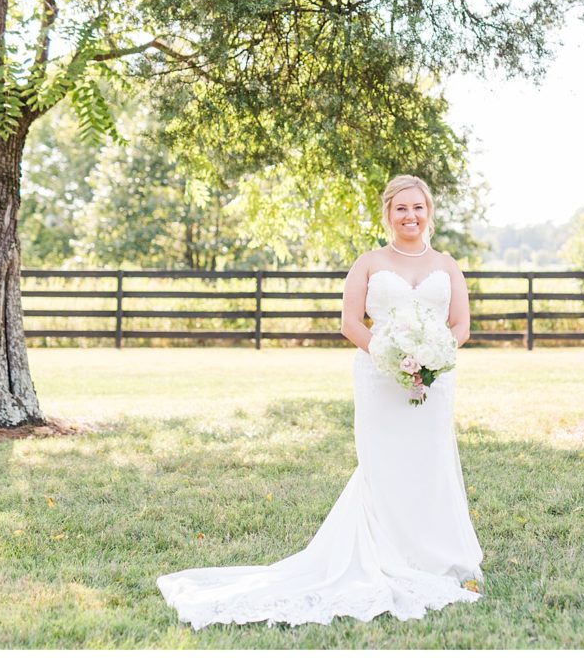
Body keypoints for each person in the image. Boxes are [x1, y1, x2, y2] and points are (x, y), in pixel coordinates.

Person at [156, 174, 484, 628]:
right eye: (401, 209)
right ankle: (383, 553)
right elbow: (350, 322)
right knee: (384, 462)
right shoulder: (368, 262)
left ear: (429, 211)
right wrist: (394, 360)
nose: (410, 216)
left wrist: (429, 361)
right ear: (388, 214)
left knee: (429, 462)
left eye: (418, 207)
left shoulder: (447, 265)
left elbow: (460, 325)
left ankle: (434, 555)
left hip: (434, 379)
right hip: (381, 375)